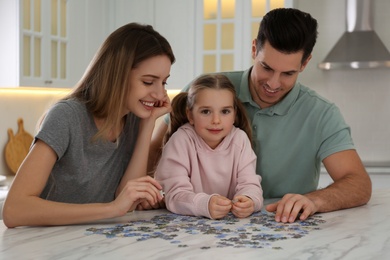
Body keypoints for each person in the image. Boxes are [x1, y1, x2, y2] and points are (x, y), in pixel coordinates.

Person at [150, 8, 372, 223]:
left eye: (287, 73)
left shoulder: (321, 113)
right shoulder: (208, 91)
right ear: (254, 49)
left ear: (305, 63)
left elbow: (359, 184)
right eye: (266, 67)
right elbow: (155, 152)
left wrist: (314, 201)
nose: (273, 84)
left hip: (284, 227)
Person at [2, 23, 175, 227]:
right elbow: (14, 210)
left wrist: (147, 125)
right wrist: (111, 209)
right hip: (46, 244)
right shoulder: (67, 116)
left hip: (92, 241)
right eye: (148, 82)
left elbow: (126, 201)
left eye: (163, 82)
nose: (159, 94)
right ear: (116, 75)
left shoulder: (135, 118)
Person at [155, 74, 263, 220]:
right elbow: (174, 194)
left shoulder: (240, 140)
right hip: (187, 227)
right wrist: (205, 204)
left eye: (225, 111)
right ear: (190, 115)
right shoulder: (181, 141)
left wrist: (249, 200)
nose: (216, 120)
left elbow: (250, 183)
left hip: (230, 228)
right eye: (206, 111)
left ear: (234, 114)